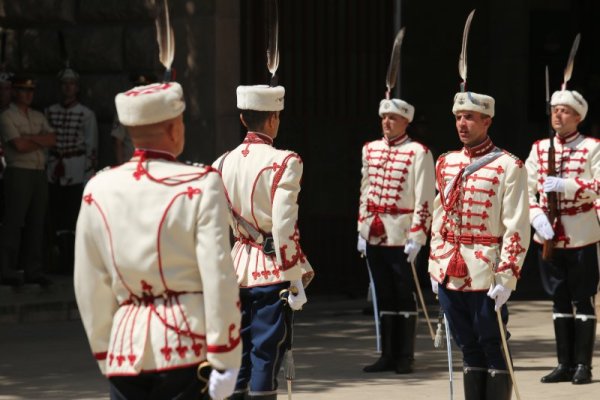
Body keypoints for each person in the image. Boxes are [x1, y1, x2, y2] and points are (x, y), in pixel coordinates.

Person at [74, 80, 242, 400]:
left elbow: (89, 281)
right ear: (174, 128)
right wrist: (226, 355)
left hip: (125, 349)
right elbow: (218, 273)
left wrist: (105, 349)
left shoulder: (98, 188)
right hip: (187, 345)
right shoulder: (202, 183)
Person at [213, 85, 314, 400]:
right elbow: (284, 226)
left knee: (237, 353)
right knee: (266, 354)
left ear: (243, 118)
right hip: (271, 271)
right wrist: (295, 278)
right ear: (274, 120)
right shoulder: (286, 161)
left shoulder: (221, 163)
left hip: (235, 266)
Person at [428, 91, 530, 399]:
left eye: (470, 118)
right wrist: (435, 264)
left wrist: (508, 276)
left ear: (487, 121)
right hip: (450, 269)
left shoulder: (509, 165)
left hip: (487, 270)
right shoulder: (446, 162)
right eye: (459, 117)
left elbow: (516, 225)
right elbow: (439, 217)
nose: (462, 123)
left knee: (492, 343)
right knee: (467, 345)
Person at [525, 90, 599, 385]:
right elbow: (525, 189)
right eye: (555, 109)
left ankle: (583, 365)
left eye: (565, 111)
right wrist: (536, 217)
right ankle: (563, 363)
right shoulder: (540, 148)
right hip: (548, 233)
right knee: (558, 299)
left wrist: (566, 184)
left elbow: (597, 184)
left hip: (580, 231)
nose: (558, 114)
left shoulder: (592, 147)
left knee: (582, 299)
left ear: (578, 116)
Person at [357, 97, 435, 374]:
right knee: (382, 294)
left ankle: (405, 355)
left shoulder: (418, 152)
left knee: (404, 293)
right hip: (375, 232)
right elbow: (366, 190)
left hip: (402, 233)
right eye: (384, 117)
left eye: (393, 118)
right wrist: (361, 229)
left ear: (406, 122)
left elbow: (425, 197)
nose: (387, 122)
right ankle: (387, 354)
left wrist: (418, 234)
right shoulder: (370, 149)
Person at [0, 75, 56, 287]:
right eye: (23, 90)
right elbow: (19, 146)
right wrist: (38, 140)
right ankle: (7, 269)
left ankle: (34, 270)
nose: (28, 94)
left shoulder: (37, 116)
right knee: (14, 221)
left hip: (39, 171)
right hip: (18, 171)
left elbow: (52, 139)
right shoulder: (6, 116)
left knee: (37, 221)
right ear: (14, 92)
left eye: (31, 91)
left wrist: (29, 138)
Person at [45, 66, 98, 274]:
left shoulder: (86, 114)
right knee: (55, 216)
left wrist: (88, 175)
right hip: (53, 170)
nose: (68, 88)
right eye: (65, 84)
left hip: (75, 169)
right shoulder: (50, 112)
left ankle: (71, 261)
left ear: (77, 88)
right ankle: (57, 258)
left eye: (72, 84)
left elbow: (91, 147)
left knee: (72, 216)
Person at [111, 73, 156, 165]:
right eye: (138, 87)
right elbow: (118, 142)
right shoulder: (125, 109)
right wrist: (120, 167)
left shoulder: (156, 109)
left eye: (144, 87)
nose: (140, 91)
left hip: (153, 162)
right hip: (132, 163)